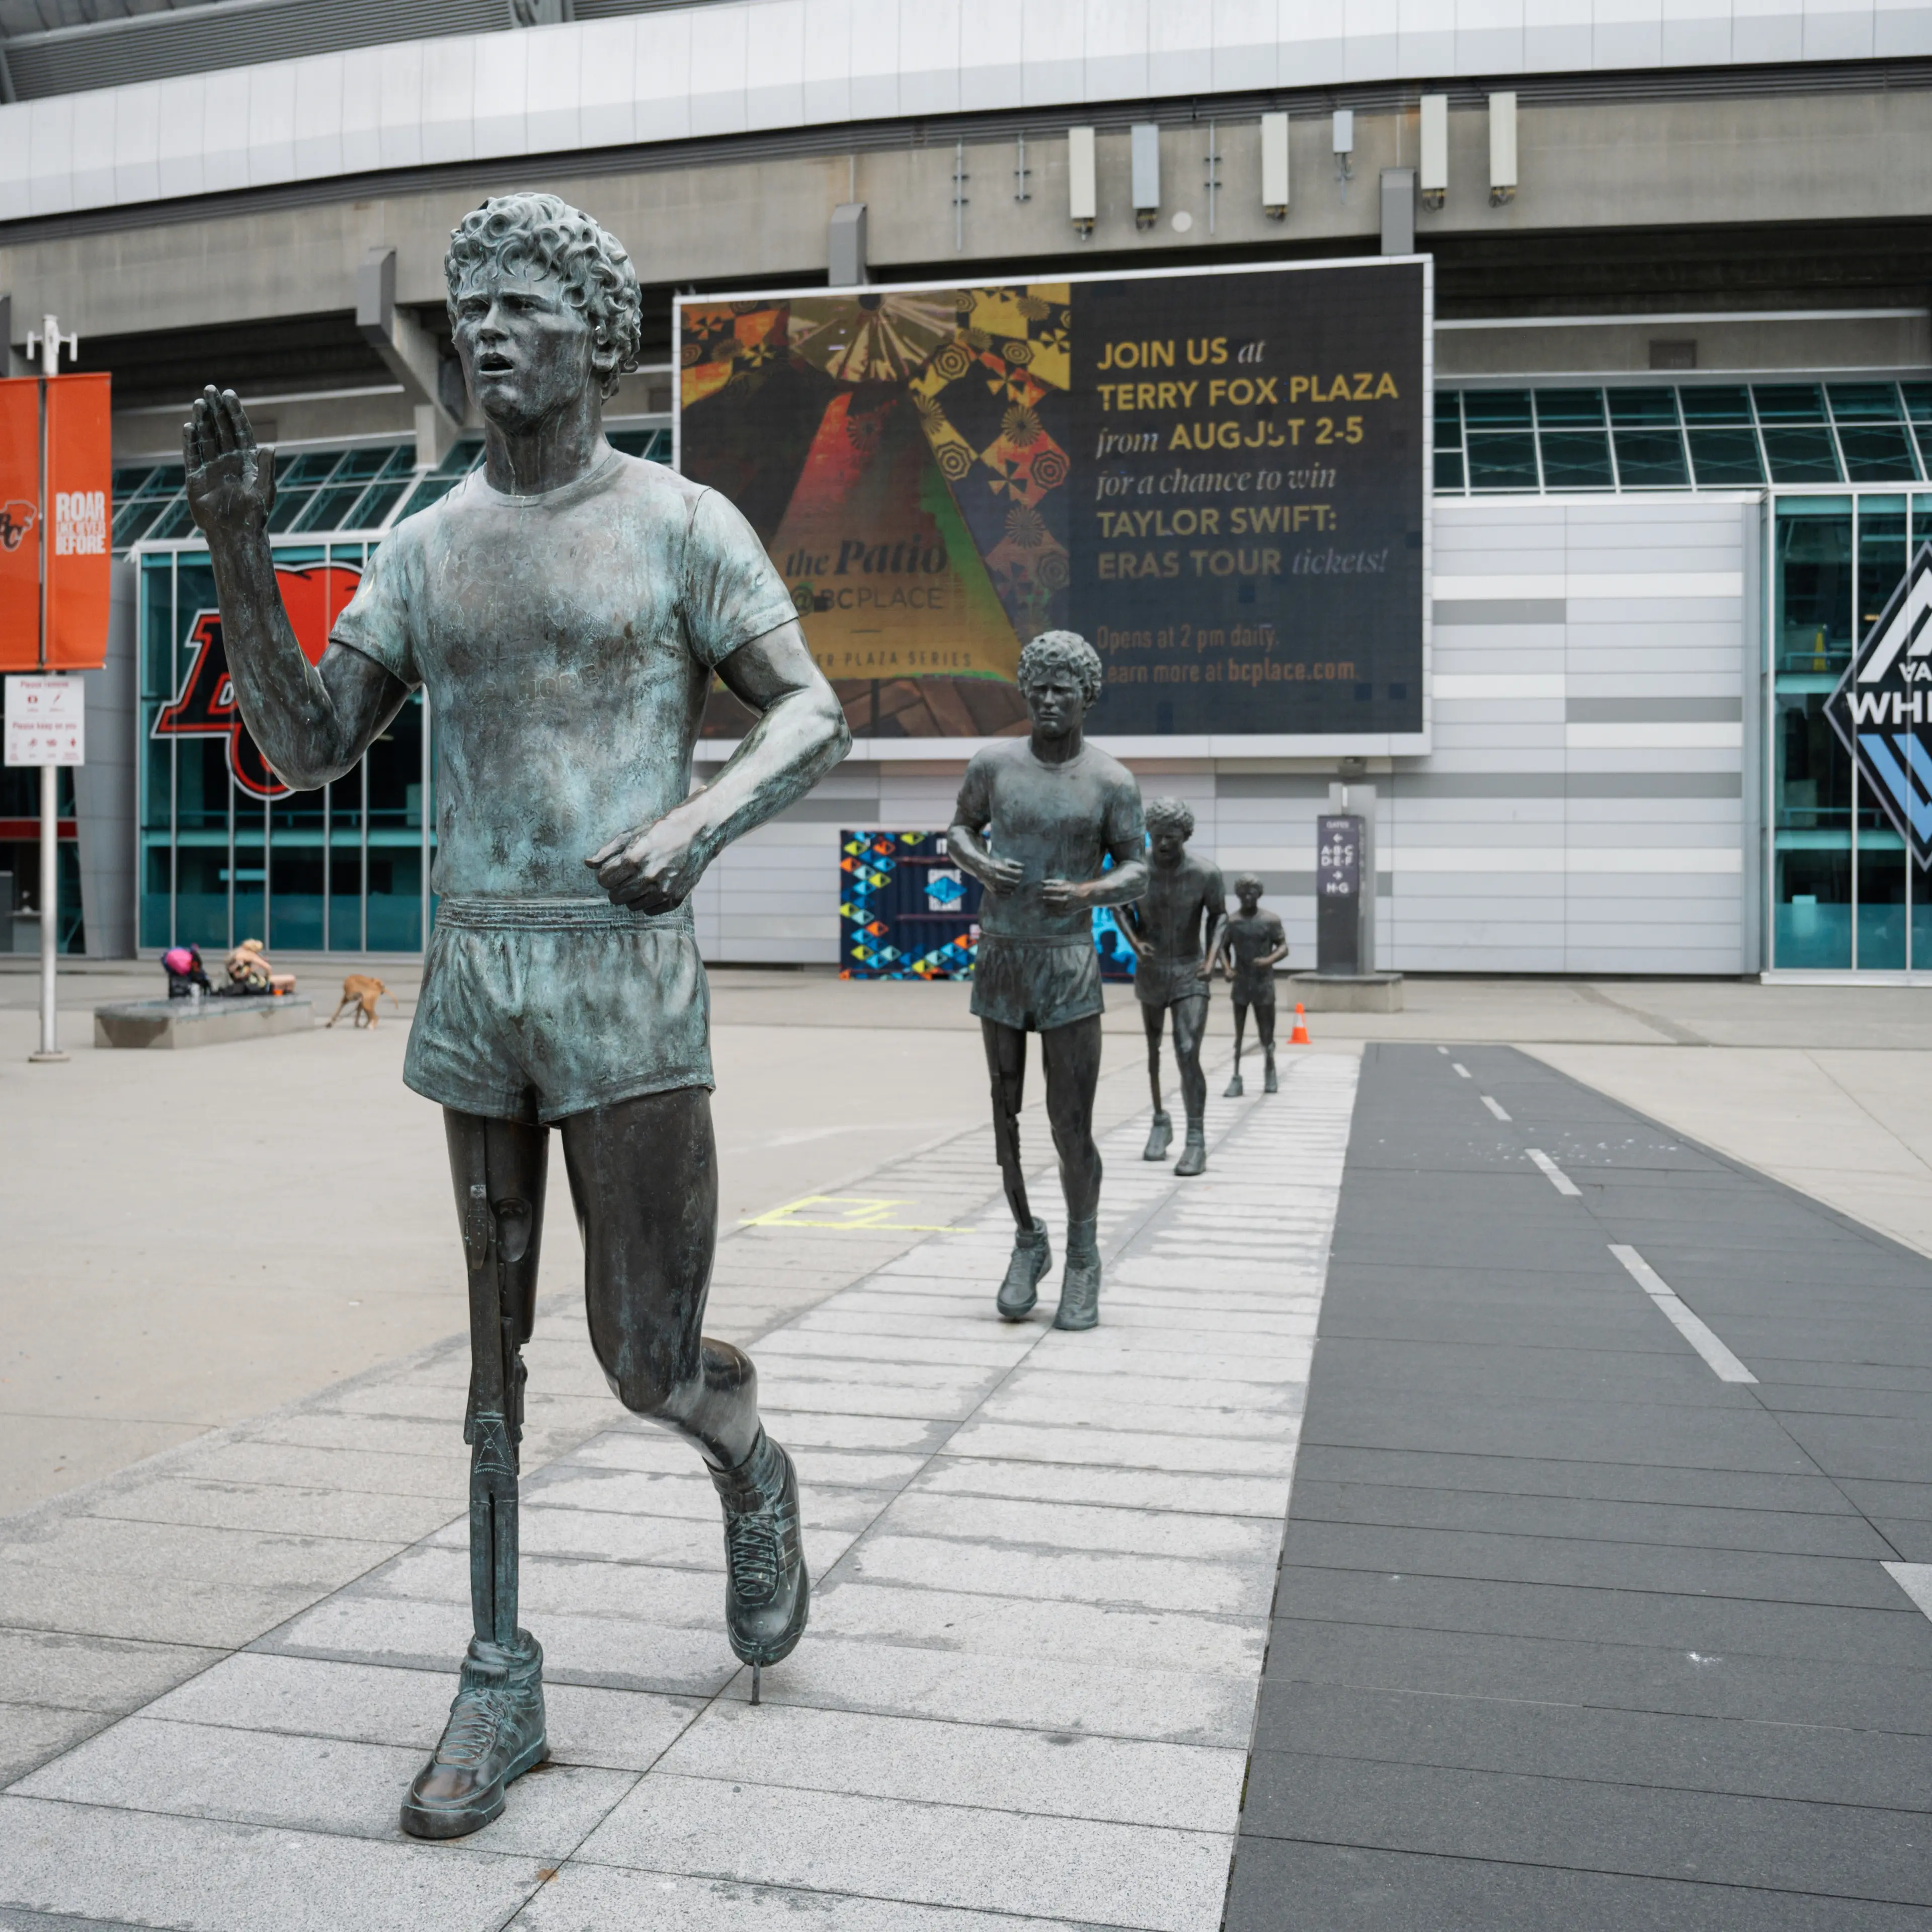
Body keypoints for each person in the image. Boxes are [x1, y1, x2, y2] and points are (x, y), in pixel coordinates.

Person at [181, 191, 849, 1839]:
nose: (484, 334)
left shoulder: (683, 524)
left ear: (597, 339)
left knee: (639, 1360)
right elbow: (312, 741)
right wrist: (240, 549)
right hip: (482, 990)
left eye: (521, 310)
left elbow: (812, 711)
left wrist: (697, 824)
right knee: (493, 1367)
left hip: (629, 998)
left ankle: (743, 1450)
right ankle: (499, 1673)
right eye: (469, 310)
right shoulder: (423, 542)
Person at [948, 631, 1147, 1330]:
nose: (1049, 699)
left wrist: (1090, 892)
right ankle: (1027, 1238)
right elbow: (959, 830)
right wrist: (979, 863)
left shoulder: (1112, 781)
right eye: (1039, 688)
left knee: (1071, 1124)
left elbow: (1137, 868)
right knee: (1005, 1114)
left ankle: (1084, 1254)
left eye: (1063, 688)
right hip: (1002, 953)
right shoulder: (994, 765)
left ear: (1087, 697)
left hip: (1066, 960)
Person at [1121, 797, 1226, 1177]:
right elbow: (1119, 907)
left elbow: (1220, 917)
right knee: (1153, 1051)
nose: (1163, 844)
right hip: (1151, 971)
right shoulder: (1137, 872)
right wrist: (1134, 942)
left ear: (1186, 835)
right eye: (1157, 836)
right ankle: (1159, 1121)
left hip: (1189, 971)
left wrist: (1212, 959)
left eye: (1172, 837)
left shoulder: (1205, 874)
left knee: (1186, 1050)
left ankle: (1195, 1140)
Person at [1213, 872, 1288, 1095]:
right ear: (1237, 895)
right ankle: (1236, 1077)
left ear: (1259, 894)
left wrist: (1268, 960)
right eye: (1243, 893)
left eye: (1252, 892)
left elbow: (1283, 947)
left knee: (1267, 1033)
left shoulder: (1270, 920)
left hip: (1264, 984)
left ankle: (1270, 1070)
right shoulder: (1232, 922)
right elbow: (1221, 948)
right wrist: (1226, 968)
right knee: (1239, 1034)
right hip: (1242, 983)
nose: (1247, 897)